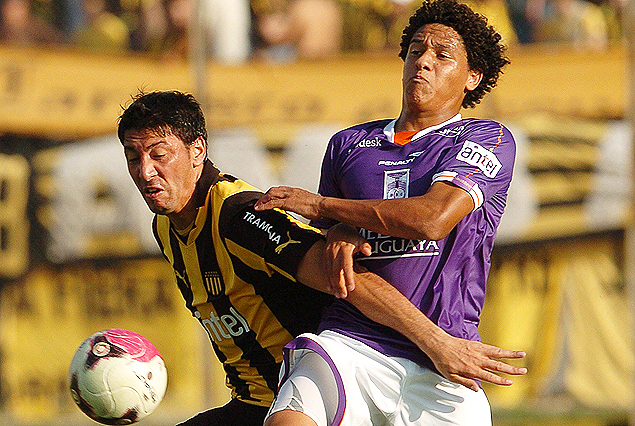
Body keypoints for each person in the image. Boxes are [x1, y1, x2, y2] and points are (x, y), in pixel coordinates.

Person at [117, 90, 526, 426]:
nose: (145, 171)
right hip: (252, 403)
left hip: (306, 393)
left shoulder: (238, 216)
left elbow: (350, 279)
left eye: (159, 154)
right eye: (134, 157)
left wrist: (438, 343)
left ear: (197, 151)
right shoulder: (166, 226)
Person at [255, 0, 520, 425]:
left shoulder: (486, 138)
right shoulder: (347, 145)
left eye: (442, 55)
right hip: (351, 344)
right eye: (416, 51)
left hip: (446, 358)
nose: (424, 62)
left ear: (473, 77)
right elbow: (332, 257)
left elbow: (432, 220)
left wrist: (322, 206)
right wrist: (336, 229)